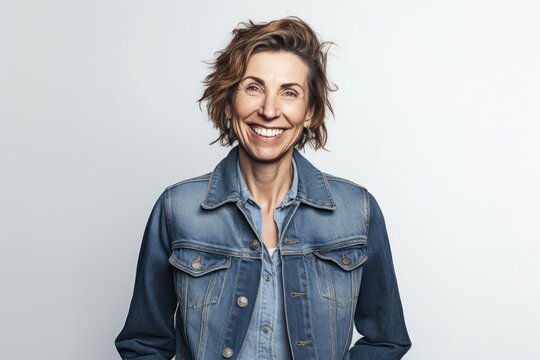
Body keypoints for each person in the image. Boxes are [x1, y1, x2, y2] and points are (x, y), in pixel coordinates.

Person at [115, 16, 411, 360]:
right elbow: (142, 344)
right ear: (229, 102)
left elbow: (387, 340)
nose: (269, 110)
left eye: (289, 92)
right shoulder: (176, 209)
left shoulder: (356, 211)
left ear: (310, 111)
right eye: (253, 88)